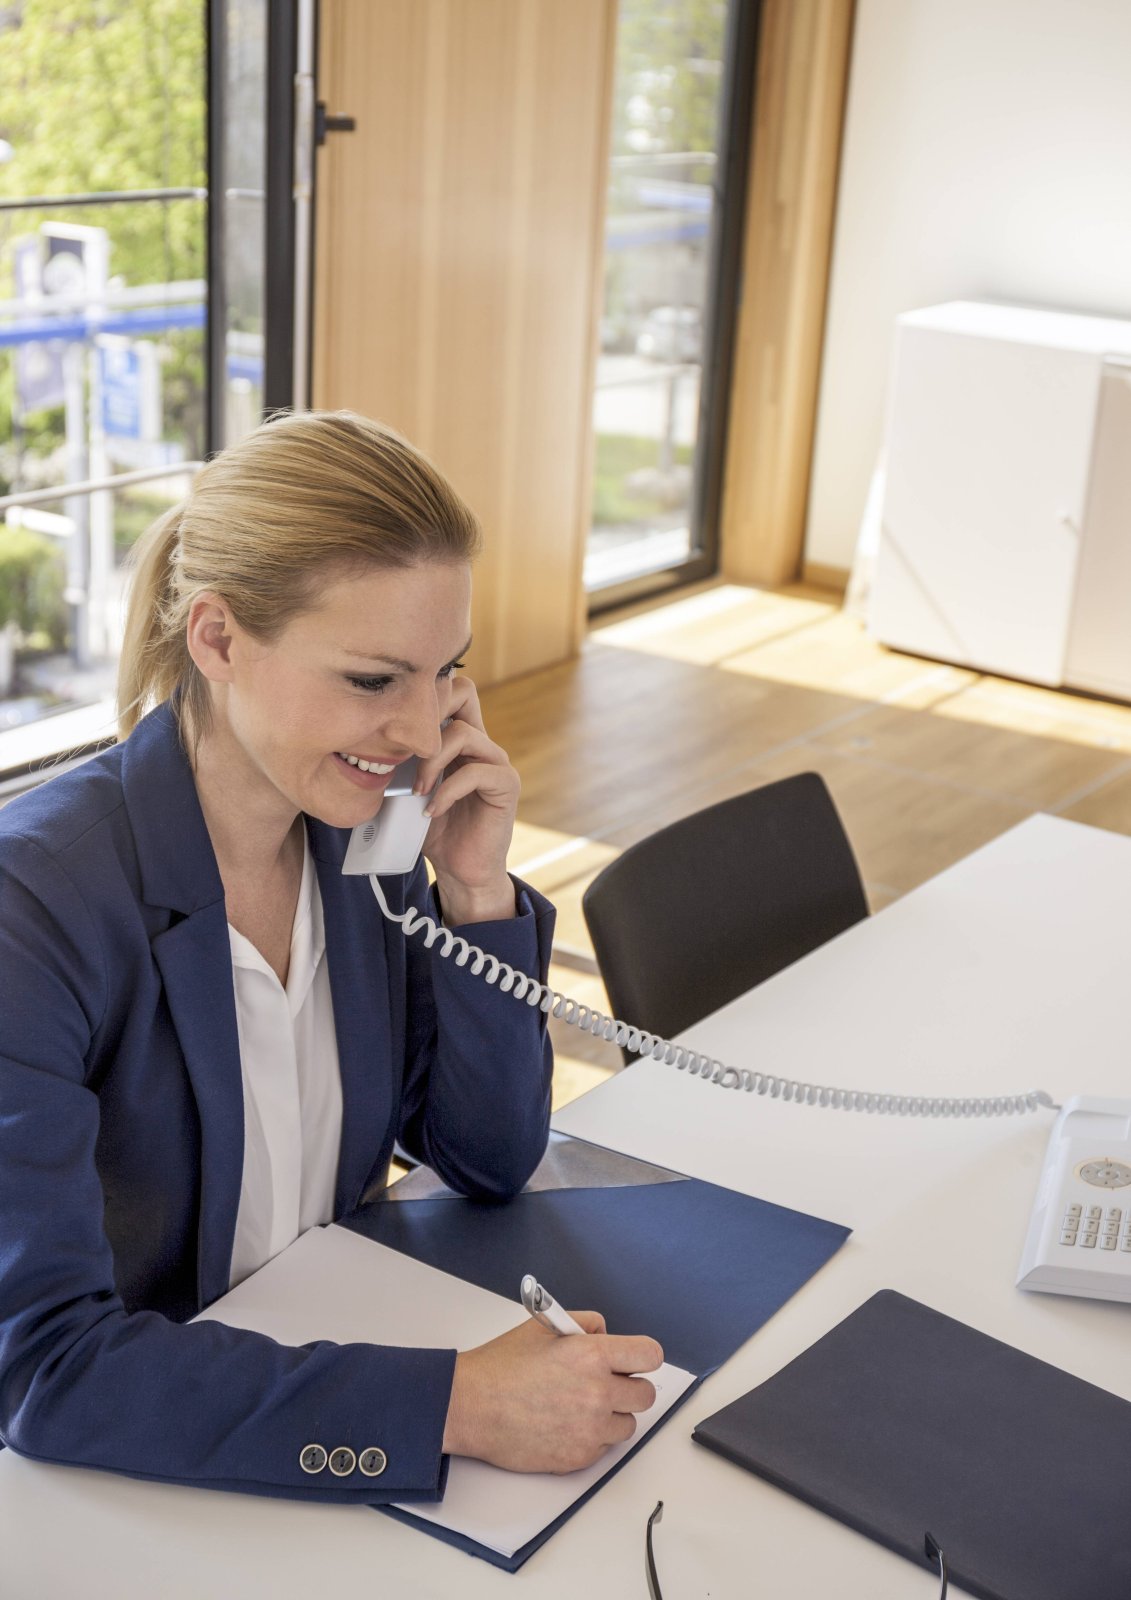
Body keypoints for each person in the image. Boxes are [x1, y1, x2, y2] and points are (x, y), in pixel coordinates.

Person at [0, 410, 662, 1504]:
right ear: (216, 639)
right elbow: (46, 1372)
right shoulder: (36, 905)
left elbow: (487, 1157)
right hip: (136, 1476)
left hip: (325, 1349)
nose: (417, 732)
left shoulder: (368, 831)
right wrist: (456, 1406)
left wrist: (475, 889)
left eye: (443, 670)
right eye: (371, 679)